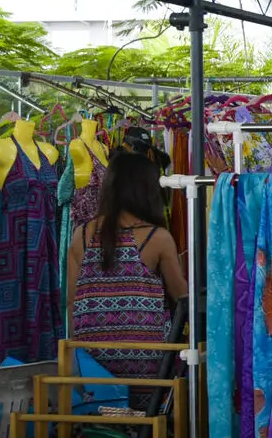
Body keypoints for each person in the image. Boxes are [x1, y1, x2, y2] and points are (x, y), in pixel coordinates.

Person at [64, 150, 187, 386]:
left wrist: (78, 352)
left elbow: (72, 301)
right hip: (146, 370)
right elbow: (182, 298)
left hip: (92, 368)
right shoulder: (156, 237)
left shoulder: (81, 235)